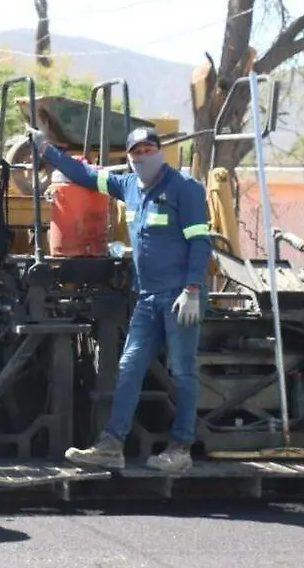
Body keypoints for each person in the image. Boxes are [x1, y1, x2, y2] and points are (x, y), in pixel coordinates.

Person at [28, 126, 211, 473]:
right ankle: (112, 445)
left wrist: (192, 290)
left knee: (183, 372)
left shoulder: (184, 190)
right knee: (129, 368)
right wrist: (46, 150)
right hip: (147, 298)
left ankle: (181, 448)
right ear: (128, 158)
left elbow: (201, 242)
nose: (143, 156)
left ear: (160, 151)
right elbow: (83, 174)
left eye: (149, 149)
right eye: (136, 152)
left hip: (179, 297)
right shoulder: (127, 186)